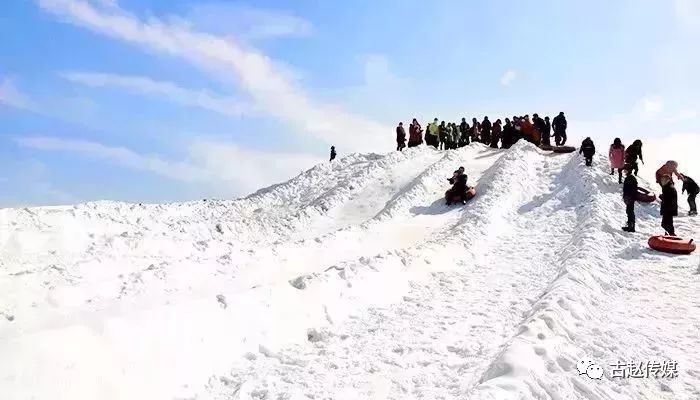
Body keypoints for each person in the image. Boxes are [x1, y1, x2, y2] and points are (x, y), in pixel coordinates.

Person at [622, 164, 638, 232]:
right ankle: (630, 225)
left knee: (630, 211)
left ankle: (631, 227)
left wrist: (628, 197)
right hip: (630, 197)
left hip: (630, 198)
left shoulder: (630, 178)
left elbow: (630, 189)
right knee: (629, 211)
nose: (624, 171)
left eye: (625, 170)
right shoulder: (630, 177)